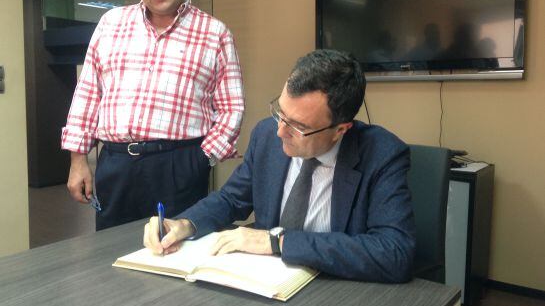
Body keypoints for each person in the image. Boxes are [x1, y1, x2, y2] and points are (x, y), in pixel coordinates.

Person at [144, 49, 415, 282]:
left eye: (298, 126)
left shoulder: (381, 154)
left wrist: (278, 242)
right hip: (265, 280)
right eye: (280, 113)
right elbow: (230, 200)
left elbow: (394, 252)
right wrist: (185, 224)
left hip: (334, 288)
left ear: (340, 129)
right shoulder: (266, 135)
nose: (280, 133)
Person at [61, 0, 244, 230]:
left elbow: (231, 108)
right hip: (116, 164)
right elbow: (88, 95)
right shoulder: (111, 23)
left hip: (179, 165)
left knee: (176, 252)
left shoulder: (215, 33)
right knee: (112, 255)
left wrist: (202, 159)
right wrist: (78, 160)